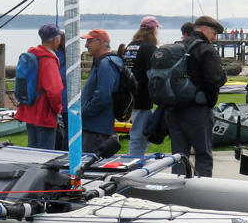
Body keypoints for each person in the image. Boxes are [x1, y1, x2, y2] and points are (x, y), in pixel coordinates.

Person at [163, 16, 226, 177]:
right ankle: (201, 194)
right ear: (204, 29)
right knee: (203, 155)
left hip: (174, 109)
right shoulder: (206, 49)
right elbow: (216, 79)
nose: (214, 37)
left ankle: (177, 192)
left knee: (179, 156)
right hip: (197, 110)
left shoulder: (177, 47)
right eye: (214, 33)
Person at [14, 24, 65, 150]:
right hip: (44, 114)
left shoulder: (33, 54)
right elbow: (54, 90)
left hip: (29, 110)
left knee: (32, 151)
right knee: (45, 155)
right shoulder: (48, 60)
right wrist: (57, 109)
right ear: (56, 40)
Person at [79, 29, 125, 152]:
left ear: (99, 42)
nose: (86, 45)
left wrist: (84, 111)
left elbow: (103, 95)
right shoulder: (103, 61)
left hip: (96, 129)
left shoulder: (106, 64)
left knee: (91, 166)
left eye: (89, 41)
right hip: (95, 126)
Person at [122, 16, 160, 156]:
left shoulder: (131, 45)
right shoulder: (150, 48)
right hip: (143, 96)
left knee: (142, 132)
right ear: (153, 30)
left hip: (129, 96)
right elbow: (152, 76)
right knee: (138, 135)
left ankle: (136, 157)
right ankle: (134, 161)